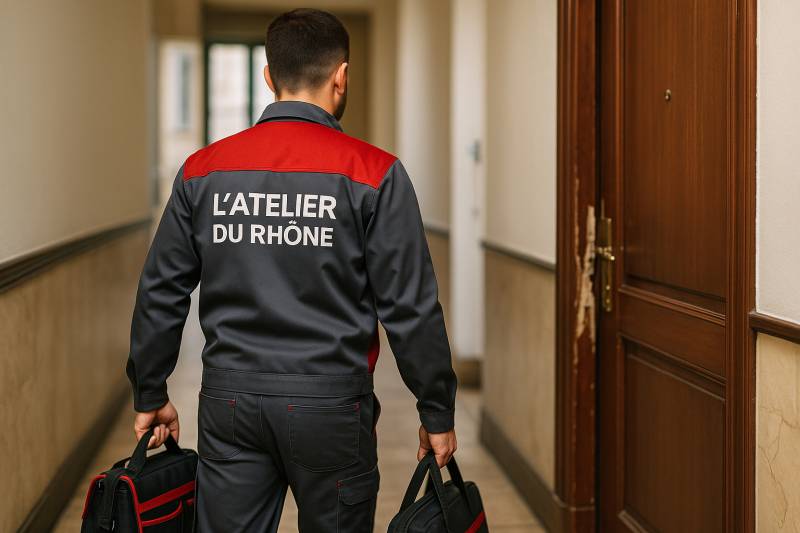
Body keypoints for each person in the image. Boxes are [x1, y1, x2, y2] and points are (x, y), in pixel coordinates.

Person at [126, 8, 457, 532]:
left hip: (229, 404)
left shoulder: (203, 171)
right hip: (331, 406)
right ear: (341, 75)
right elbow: (410, 309)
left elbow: (161, 291)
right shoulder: (375, 173)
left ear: (268, 76)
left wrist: (150, 391)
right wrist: (435, 410)